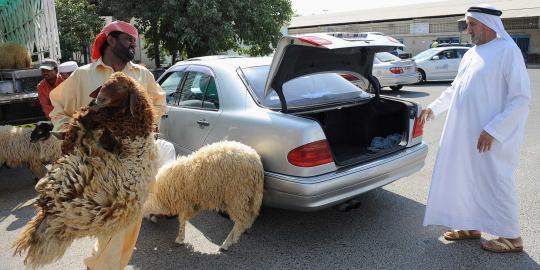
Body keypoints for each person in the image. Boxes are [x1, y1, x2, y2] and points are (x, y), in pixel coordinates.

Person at [49, 20, 166, 269]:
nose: (133, 44)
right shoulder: (83, 76)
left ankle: (101, 265)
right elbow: (58, 108)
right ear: (110, 39)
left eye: (134, 40)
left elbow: (159, 103)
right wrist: (70, 133)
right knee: (113, 226)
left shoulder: (142, 75)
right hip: (98, 168)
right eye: (128, 39)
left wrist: (145, 128)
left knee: (126, 227)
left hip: (135, 171)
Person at [421, 4, 530, 253]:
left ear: (488, 25)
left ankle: (512, 238)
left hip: (491, 136)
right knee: (466, 179)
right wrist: (434, 108)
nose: (467, 29)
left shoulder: (507, 51)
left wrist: (494, 129)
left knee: (496, 180)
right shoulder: (472, 54)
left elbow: (521, 98)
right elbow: (456, 89)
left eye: (472, 24)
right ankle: (470, 225)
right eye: (467, 24)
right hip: (465, 134)